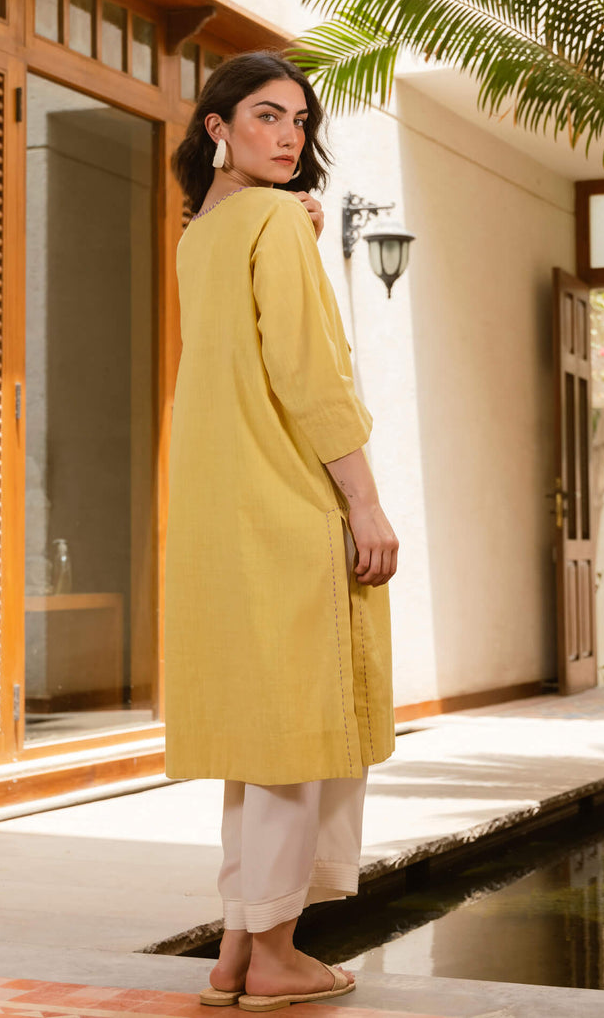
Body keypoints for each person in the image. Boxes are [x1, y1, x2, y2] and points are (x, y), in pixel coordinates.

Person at [165, 50, 398, 1012]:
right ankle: (274, 953)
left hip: (222, 512)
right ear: (216, 126)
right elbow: (309, 374)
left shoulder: (201, 236)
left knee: (262, 739)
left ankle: (238, 949)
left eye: (300, 121)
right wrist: (365, 502)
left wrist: (298, 226)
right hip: (288, 503)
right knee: (302, 731)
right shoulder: (272, 222)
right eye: (267, 115)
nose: (290, 135)